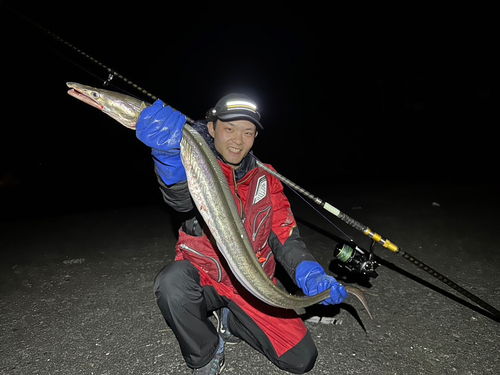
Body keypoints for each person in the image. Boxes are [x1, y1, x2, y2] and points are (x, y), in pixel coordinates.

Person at [135, 93, 348, 375]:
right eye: (229, 129)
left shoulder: (266, 177)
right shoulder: (194, 163)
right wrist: (167, 161)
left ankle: (232, 319)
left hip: (252, 284)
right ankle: (206, 353)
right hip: (206, 276)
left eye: (248, 132)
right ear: (211, 129)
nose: (238, 140)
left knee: (301, 359)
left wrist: (309, 273)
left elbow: (284, 236)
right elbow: (182, 203)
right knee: (172, 283)